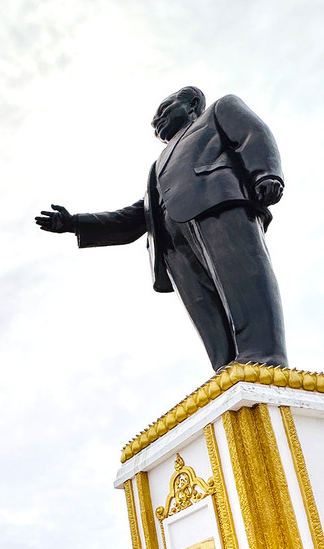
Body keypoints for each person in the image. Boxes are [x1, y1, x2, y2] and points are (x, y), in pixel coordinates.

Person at [35, 86, 287, 370]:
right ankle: (226, 367)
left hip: (218, 206)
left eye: (163, 111)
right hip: (173, 243)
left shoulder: (218, 111)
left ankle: (264, 357)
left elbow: (253, 134)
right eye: (154, 121)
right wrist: (74, 222)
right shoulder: (156, 167)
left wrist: (265, 173)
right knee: (205, 310)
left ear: (192, 104)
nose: (157, 122)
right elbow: (134, 216)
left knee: (243, 280)